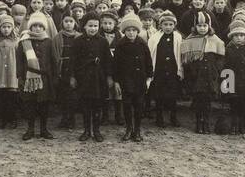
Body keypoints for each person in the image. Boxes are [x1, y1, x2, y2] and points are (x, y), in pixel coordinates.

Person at [17, 13, 59, 140]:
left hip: (45, 79)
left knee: (43, 105)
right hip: (28, 78)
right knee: (30, 104)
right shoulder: (24, 41)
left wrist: (55, 76)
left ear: (44, 27)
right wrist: (20, 76)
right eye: (34, 26)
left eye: (40, 26)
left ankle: (43, 129)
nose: (37, 28)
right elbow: (19, 60)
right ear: (30, 27)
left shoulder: (48, 41)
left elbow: (54, 60)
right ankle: (30, 129)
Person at [181, 10, 224, 134]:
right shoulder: (189, 41)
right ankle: (198, 122)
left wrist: (216, 70)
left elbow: (220, 58)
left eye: (205, 26)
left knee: (207, 101)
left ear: (209, 26)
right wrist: (191, 72)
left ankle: (206, 121)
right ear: (195, 27)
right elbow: (186, 61)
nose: (202, 28)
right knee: (198, 100)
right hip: (196, 76)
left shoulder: (216, 40)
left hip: (210, 75)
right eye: (199, 26)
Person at [70, 13, 112, 142]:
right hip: (84, 78)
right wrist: (72, 77)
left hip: (98, 78)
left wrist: (109, 77)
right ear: (84, 26)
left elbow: (108, 61)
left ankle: (97, 130)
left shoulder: (103, 41)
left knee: (97, 105)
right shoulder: (78, 41)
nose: (93, 29)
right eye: (90, 26)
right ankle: (87, 130)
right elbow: (73, 61)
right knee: (86, 105)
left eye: (95, 26)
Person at [112, 12, 153, 142]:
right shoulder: (120, 45)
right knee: (127, 104)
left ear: (137, 31)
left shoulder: (142, 44)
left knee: (139, 105)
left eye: (134, 30)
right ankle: (129, 128)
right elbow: (116, 65)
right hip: (126, 80)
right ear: (124, 31)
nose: (131, 33)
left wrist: (148, 79)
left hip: (140, 79)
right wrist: (117, 81)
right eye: (128, 30)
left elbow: (148, 63)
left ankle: (137, 130)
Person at [222, 16, 245, 135]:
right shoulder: (228, 49)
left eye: (241, 35)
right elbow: (224, 66)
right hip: (232, 80)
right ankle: (233, 126)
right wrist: (225, 83)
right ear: (232, 37)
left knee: (244, 106)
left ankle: (242, 126)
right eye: (236, 35)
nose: (239, 38)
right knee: (234, 105)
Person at [148, 9, 183, 127]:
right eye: (165, 24)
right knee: (159, 95)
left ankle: (173, 118)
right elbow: (151, 53)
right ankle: (159, 118)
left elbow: (179, 54)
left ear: (174, 25)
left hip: (172, 70)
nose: (168, 27)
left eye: (171, 24)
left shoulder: (178, 37)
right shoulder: (155, 38)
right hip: (159, 70)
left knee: (172, 96)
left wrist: (179, 70)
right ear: (160, 25)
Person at [0, 13, 21, 129]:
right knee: (2, 98)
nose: (6, 30)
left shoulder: (17, 42)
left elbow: (19, 58)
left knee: (12, 98)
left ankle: (12, 118)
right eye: (4, 27)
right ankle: (3, 119)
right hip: (1, 74)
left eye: (9, 27)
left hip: (12, 73)